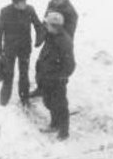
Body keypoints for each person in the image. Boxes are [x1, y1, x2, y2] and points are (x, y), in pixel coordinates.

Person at [0, 0, 45, 106]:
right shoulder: (5, 12)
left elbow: (38, 25)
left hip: (24, 48)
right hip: (10, 49)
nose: (25, 3)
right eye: (23, 1)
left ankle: (24, 98)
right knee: (8, 74)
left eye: (25, 1)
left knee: (24, 74)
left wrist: (39, 39)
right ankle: (4, 100)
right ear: (15, 3)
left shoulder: (30, 10)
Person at [36, 11, 76, 140]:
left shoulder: (64, 42)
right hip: (46, 76)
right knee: (48, 102)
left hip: (56, 79)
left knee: (60, 105)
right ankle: (54, 124)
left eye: (48, 24)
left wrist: (62, 76)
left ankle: (64, 132)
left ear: (55, 26)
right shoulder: (51, 35)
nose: (46, 26)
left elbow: (70, 64)